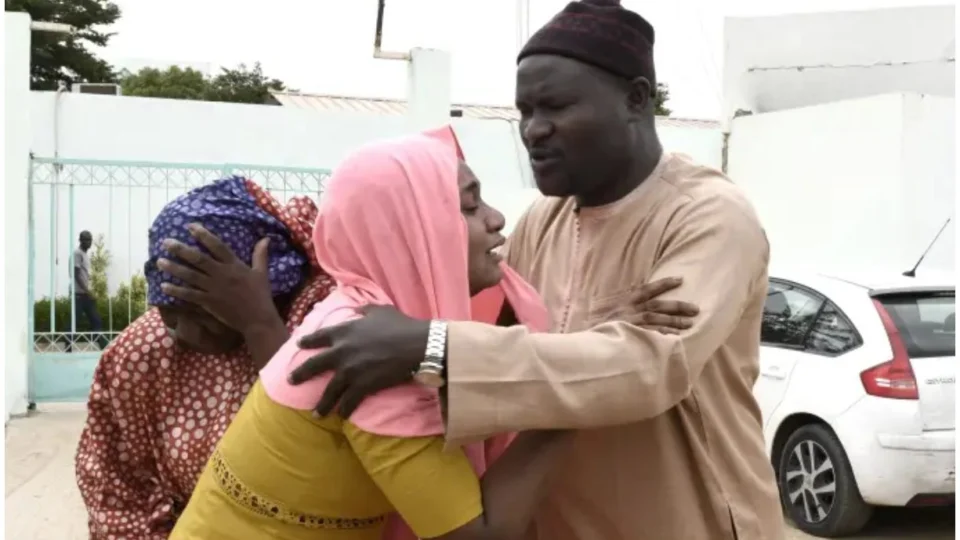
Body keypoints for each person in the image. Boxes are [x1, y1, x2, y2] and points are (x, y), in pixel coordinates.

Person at [283, 2, 784, 539]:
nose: (533, 131)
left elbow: (651, 368)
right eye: (524, 111)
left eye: (556, 107)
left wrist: (434, 347)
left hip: (684, 520)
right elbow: (505, 342)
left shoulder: (707, 216)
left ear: (636, 99)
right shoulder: (543, 221)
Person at [165, 131, 696, 540]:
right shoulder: (371, 358)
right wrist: (579, 394)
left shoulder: (363, 317)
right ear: (410, 227)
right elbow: (478, 535)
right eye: (467, 205)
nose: (495, 219)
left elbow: (506, 352)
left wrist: (584, 344)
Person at [74, 176, 336, 539]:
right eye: (171, 314)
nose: (186, 334)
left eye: (202, 313)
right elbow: (116, 490)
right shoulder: (143, 351)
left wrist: (260, 326)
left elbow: (332, 452)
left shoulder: (320, 320)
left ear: (270, 287)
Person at [73, 230, 103, 338]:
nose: (89, 242)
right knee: (74, 322)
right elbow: (76, 274)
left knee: (96, 320)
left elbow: (84, 274)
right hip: (78, 294)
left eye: (90, 240)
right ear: (80, 240)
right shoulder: (77, 253)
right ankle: (67, 349)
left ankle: (101, 346)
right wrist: (87, 291)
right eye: (86, 240)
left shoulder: (85, 254)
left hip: (85, 294)